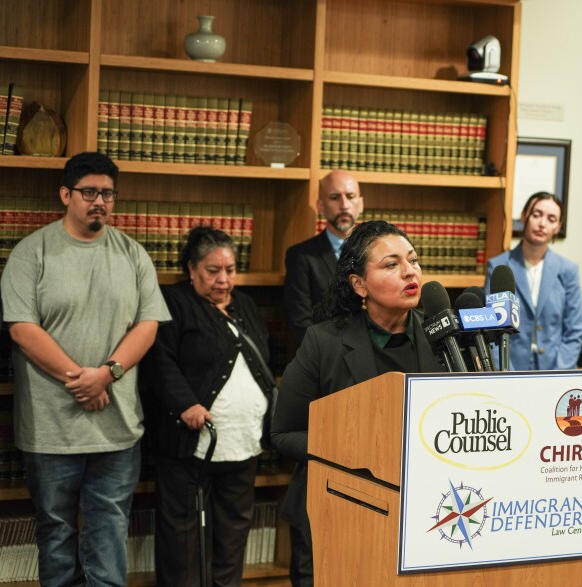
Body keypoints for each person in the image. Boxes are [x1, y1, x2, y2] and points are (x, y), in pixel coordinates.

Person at [0, 152, 170, 587]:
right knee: (55, 531)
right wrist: (83, 380)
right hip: (50, 427)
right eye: (89, 192)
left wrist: (106, 374)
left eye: (108, 194)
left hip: (116, 427)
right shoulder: (31, 252)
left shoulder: (132, 254)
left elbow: (147, 325)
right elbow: (22, 329)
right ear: (65, 195)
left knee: (109, 526)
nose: (100, 201)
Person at [272, 220, 441, 586]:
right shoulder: (324, 342)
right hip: (336, 511)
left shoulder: (442, 340)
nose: (410, 271)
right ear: (359, 284)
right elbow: (284, 433)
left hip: (422, 518)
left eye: (412, 260)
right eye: (391, 264)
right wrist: (357, 450)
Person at [140, 226, 275, 586]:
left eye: (230, 270)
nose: (223, 280)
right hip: (191, 443)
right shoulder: (174, 303)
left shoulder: (244, 304)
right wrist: (186, 405)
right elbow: (159, 361)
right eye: (213, 271)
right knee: (182, 536)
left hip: (243, 442)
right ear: (191, 269)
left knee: (233, 532)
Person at [485, 191, 582, 370]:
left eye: (551, 219)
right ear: (524, 217)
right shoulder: (498, 267)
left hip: (557, 373)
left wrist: (558, 374)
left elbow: (574, 330)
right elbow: (492, 330)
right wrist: (507, 375)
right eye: (536, 215)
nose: (542, 223)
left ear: (557, 227)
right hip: (510, 371)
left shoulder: (568, 270)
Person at [283, 170, 363, 346]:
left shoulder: (375, 252)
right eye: (335, 197)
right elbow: (300, 324)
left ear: (360, 204)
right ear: (320, 206)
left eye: (350, 196)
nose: (344, 205)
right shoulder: (301, 256)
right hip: (326, 358)